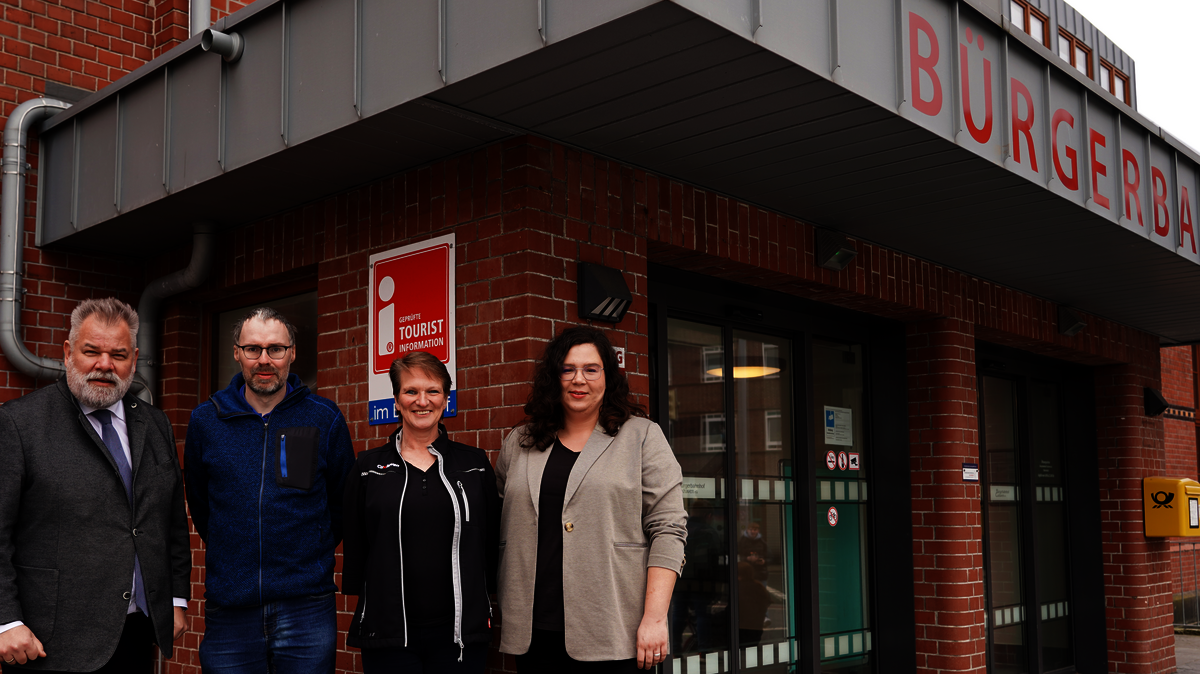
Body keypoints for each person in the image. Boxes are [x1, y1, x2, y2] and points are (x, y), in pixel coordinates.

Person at [0, 298, 190, 672]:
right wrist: (6, 620)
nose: (105, 365)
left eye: (118, 355)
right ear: (69, 352)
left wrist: (177, 598)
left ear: (133, 359)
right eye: (92, 351)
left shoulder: (155, 425)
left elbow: (170, 520)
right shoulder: (19, 424)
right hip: (48, 640)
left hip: (135, 632)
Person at [496, 326, 687, 672]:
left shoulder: (642, 437)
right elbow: (495, 521)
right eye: (567, 369)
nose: (578, 380)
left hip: (613, 629)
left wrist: (655, 618)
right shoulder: (519, 442)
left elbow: (669, 529)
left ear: (607, 376)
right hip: (533, 633)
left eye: (590, 369)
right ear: (554, 377)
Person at [184, 307, 355, 673]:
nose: (264, 360)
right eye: (253, 349)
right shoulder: (206, 421)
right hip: (230, 609)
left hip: (306, 606)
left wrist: (309, 552)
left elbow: (342, 505)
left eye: (276, 349)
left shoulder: (324, 418)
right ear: (236, 352)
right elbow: (202, 506)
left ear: (292, 353)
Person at [342, 351, 499, 672]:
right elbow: (357, 543)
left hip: (459, 635)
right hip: (389, 633)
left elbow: (491, 539)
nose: (421, 400)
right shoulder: (368, 467)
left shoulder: (474, 464)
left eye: (433, 391)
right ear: (396, 401)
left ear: (445, 400)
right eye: (410, 391)